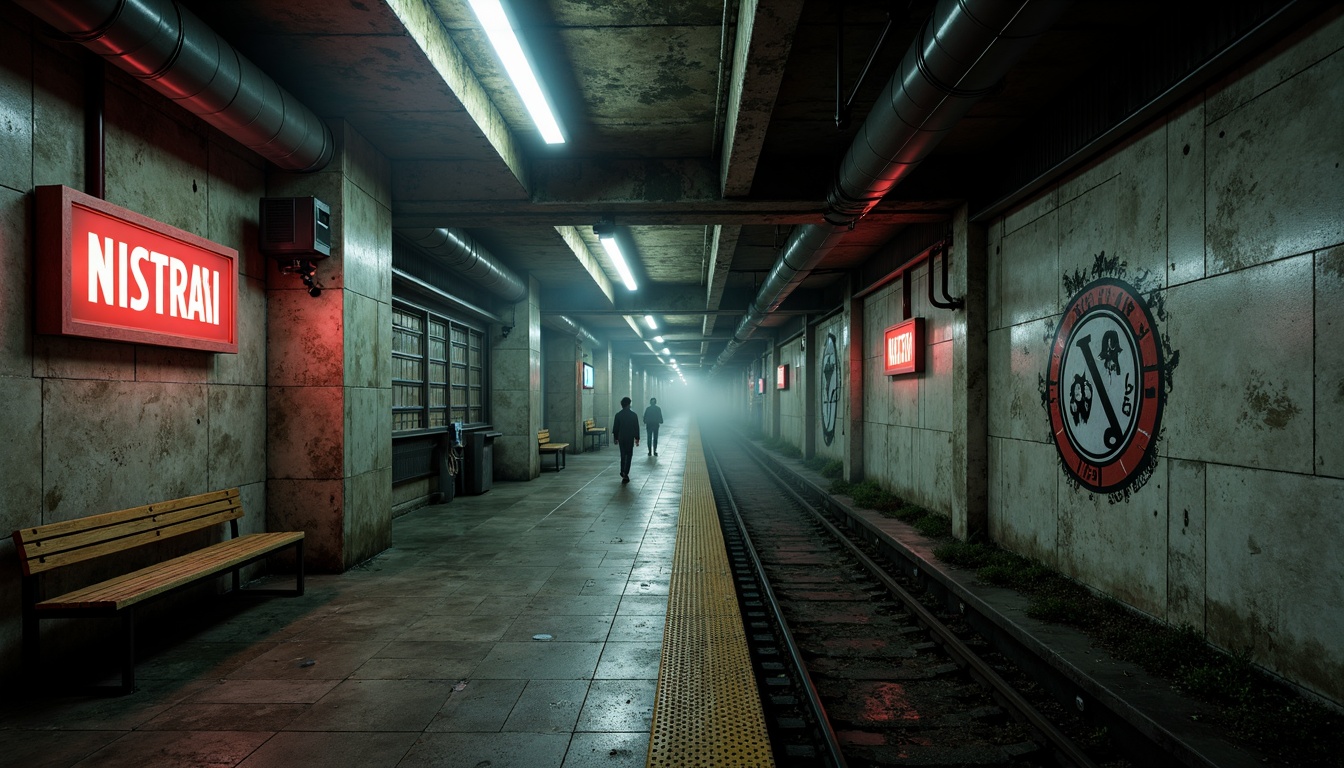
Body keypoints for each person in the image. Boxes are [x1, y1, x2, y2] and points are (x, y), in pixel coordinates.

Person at [611, 396, 640, 483]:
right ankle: (625, 473)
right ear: (629, 404)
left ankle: (622, 470)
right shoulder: (633, 415)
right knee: (629, 455)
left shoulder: (618, 415)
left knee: (623, 455)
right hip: (629, 437)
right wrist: (637, 438)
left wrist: (615, 438)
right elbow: (636, 427)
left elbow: (615, 428)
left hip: (621, 437)